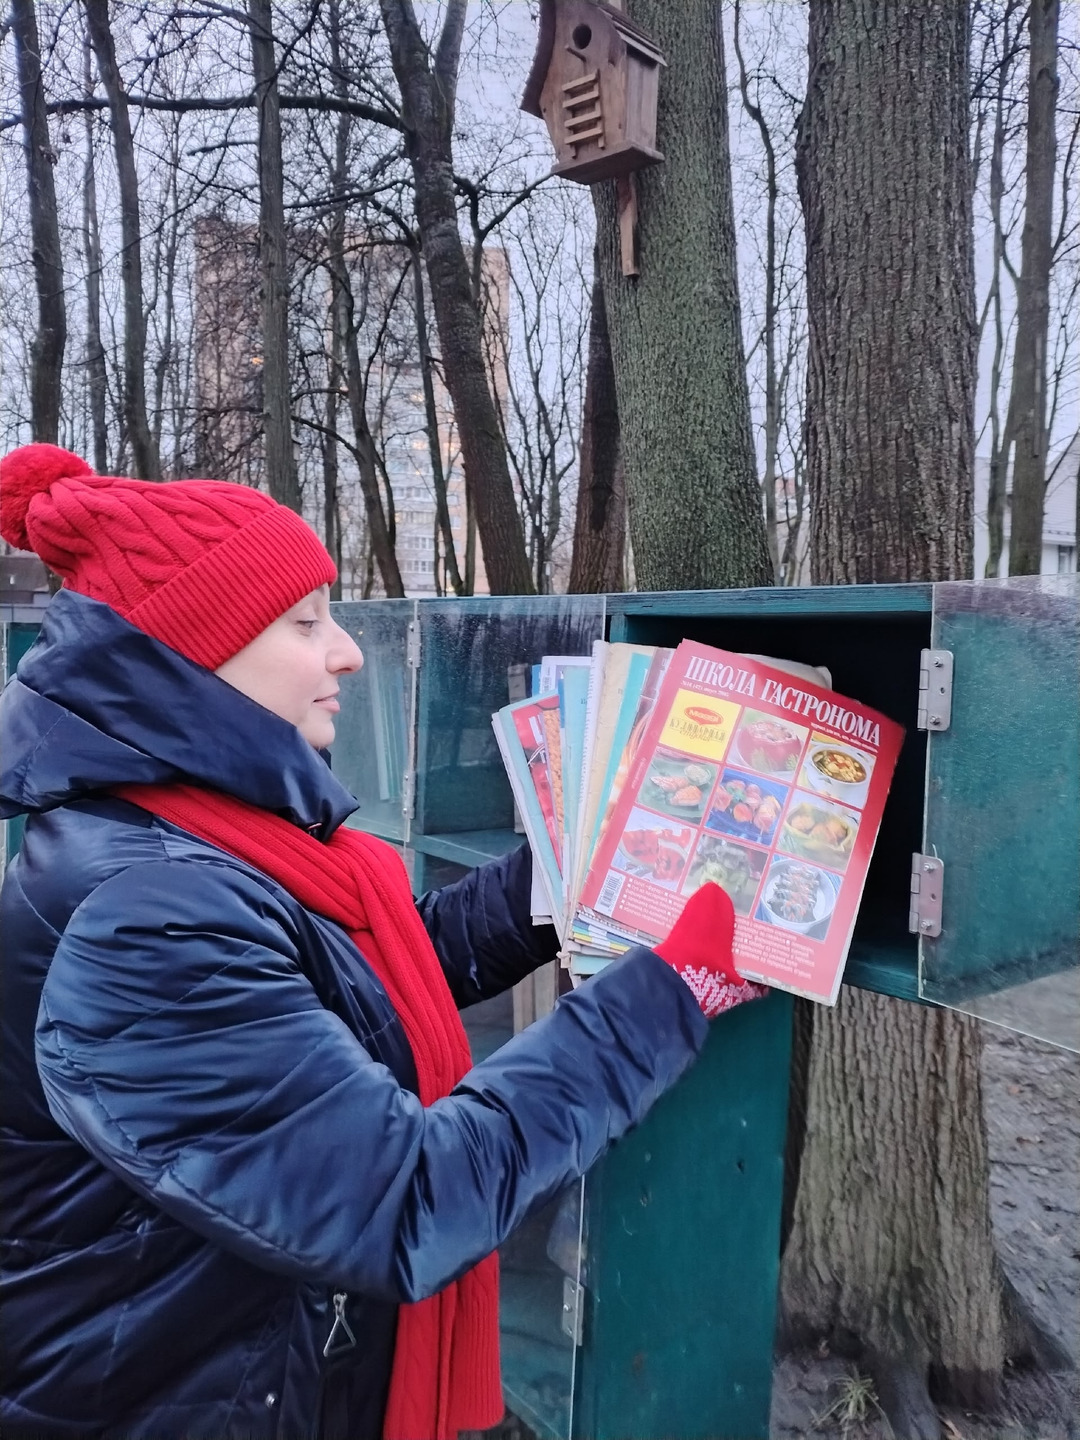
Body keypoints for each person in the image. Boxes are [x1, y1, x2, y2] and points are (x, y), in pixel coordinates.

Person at [0, 444, 765, 1440]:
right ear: (194, 655)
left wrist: (563, 878)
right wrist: (661, 1000)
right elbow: (407, 1196)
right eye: (305, 622)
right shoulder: (147, 916)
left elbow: (351, 991)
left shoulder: (191, 834)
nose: (347, 652)